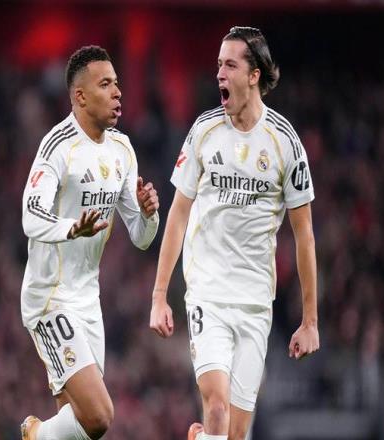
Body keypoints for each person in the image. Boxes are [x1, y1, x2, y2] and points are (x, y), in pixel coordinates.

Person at [150, 26, 319, 440]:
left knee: (236, 434)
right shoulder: (204, 131)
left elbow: (304, 235)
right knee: (217, 407)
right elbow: (178, 214)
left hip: (255, 302)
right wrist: (159, 296)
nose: (220, 74)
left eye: (230, 65)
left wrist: (310, 321)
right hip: (208, 293)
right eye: (218, 65)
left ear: (254, 75)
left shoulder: (284, 142)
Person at [20, 45, 159, 440]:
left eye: (117, 83)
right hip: (50, 297)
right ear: (80, 96)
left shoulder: (122, 150)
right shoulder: (58, 146)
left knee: (80, 426)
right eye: (105, 84)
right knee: (99, 416)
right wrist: (70, 229)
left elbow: (141, 237)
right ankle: (34, 433)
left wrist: (149, 214)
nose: (118, 92)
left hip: (87, 299)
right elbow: (30, 214)